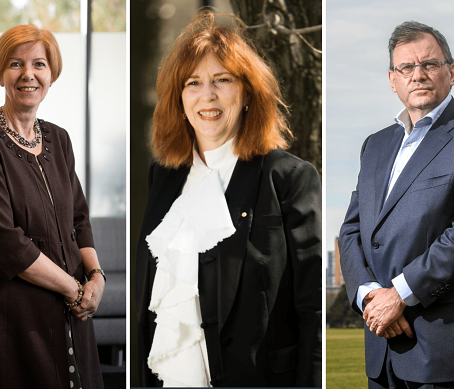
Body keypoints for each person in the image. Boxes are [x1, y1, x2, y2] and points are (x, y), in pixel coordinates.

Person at [135, 9, 322, 387]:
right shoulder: (163, 177)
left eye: (223, 80)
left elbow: (313, 309)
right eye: (193, 83)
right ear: (179, 98)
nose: (208, 96)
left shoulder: (289, 177)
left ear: (248, 92)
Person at [339, 21, 454, 388]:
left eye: (430, 65)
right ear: (393, 79)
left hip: (447, 347)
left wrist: (400, 295)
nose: (417, 75)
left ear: (451, 73)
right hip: (383, 342)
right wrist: (371, 296)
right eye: (406, 67)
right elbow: (352, 231)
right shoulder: (375, 146)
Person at [0, 25, 105, 389]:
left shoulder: (59, 138)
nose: (28, 74)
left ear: (51, 74)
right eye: (15, 64)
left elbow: (79, 219)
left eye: (39, 64)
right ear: (0, 73)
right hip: (22, 320)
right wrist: (73, 289)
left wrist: (97, 276)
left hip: (75, 314)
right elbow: (6, 243)